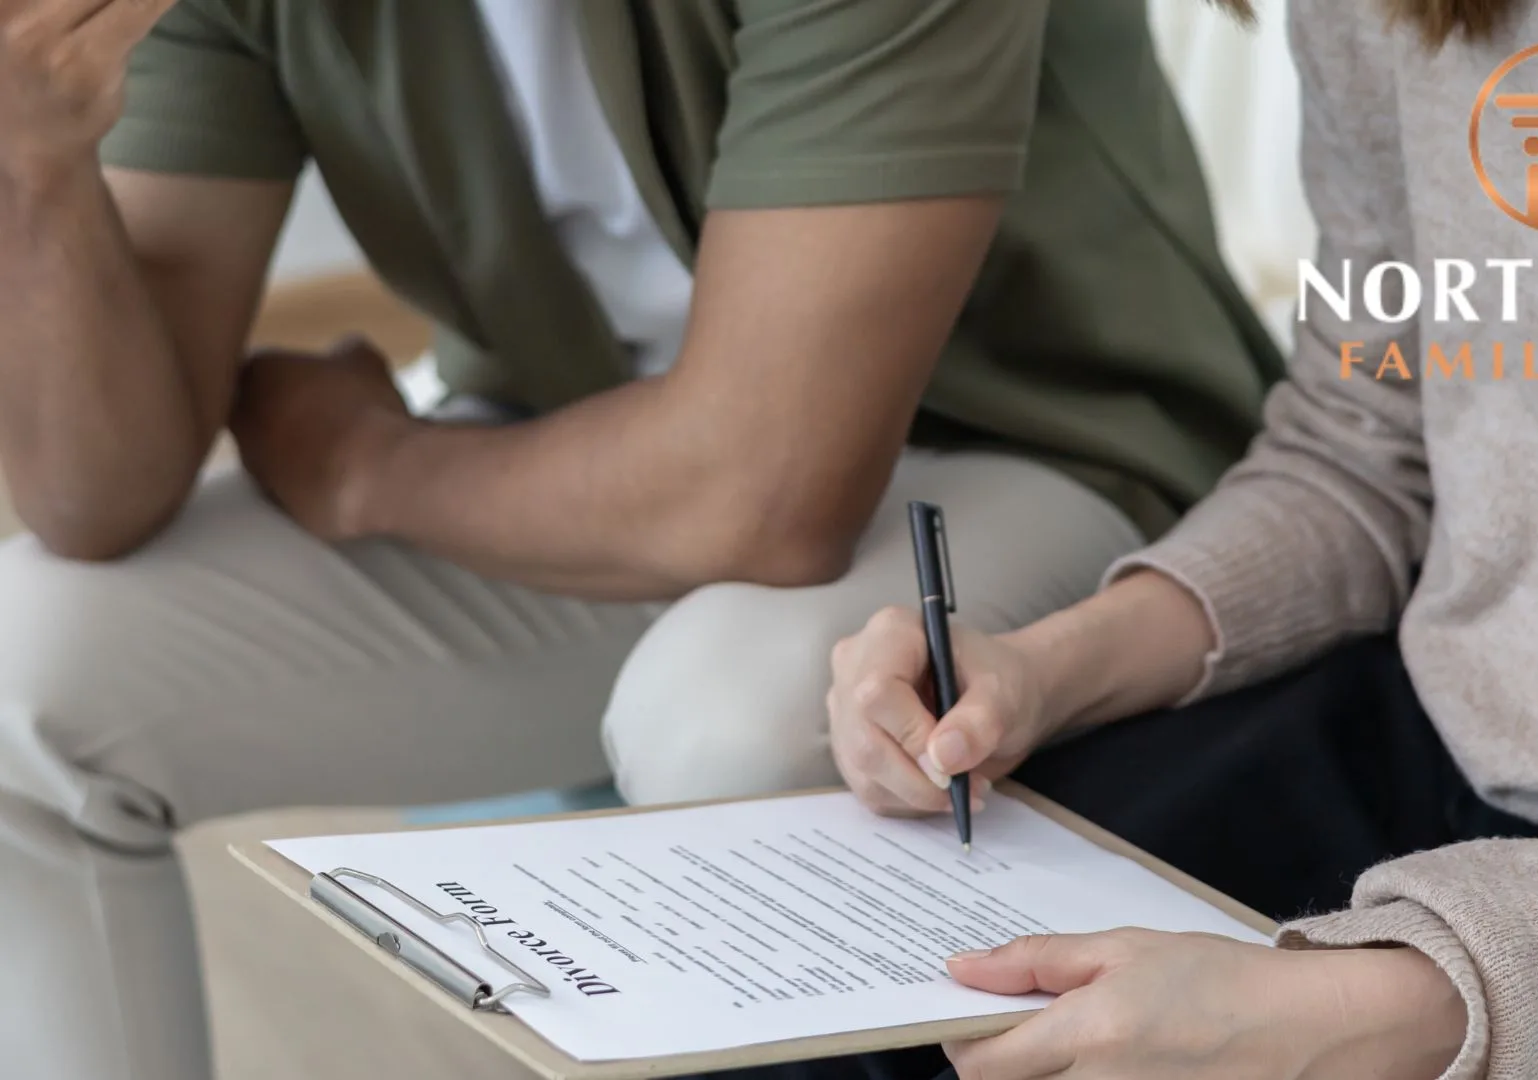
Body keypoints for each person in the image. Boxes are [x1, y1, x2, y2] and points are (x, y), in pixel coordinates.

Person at [0, 0, 1281, 1076]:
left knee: (728, 720)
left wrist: (367, 469)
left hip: (1025, 447)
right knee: (21, 671)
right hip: (572, 461)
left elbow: (766, 493)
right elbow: (93, 498)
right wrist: (38, 157)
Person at [818, 0, 1538, 1076]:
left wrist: (1350, 1011)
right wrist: (1042, 671)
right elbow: (1363, 445)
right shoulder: (1390, 14)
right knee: (856, 1019)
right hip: (1426, 738)